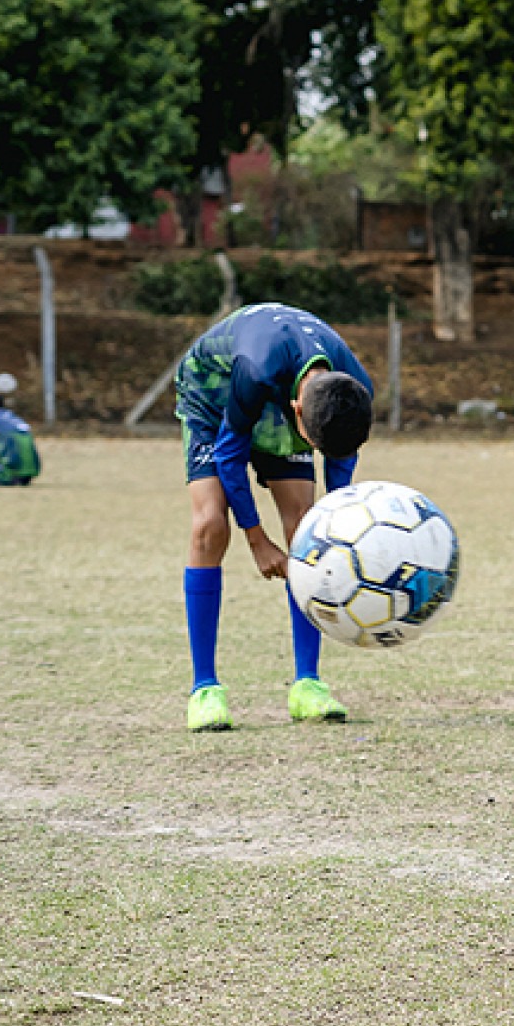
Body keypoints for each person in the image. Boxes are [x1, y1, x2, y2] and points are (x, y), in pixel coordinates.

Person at [175, 302, 375, 732]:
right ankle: (204, 689)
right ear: (298, 413)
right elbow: (230, 453)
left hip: (286, 392)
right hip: (214, 396)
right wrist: (257, 539)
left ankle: (307, 684)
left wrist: (339, 539)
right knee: (210, 525)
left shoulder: (353, 391)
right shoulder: (256, 367)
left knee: (306, 526)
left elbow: (339, 473)